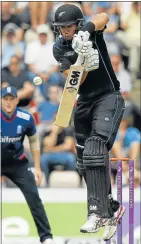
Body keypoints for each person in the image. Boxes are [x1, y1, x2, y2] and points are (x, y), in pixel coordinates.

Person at [52, 4, 125, 241]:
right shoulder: (59, 48)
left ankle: (97, 213)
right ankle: (112, 207)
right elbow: (76, 81)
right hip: (83, 101)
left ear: (78, 23)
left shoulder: (89, 30)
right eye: (61, 27)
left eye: (69, 26)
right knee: (84, 163)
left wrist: (86, 32)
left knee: (95, 147)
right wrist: (82, 58)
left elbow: (104, 16)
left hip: (108, 97)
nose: (65, 31)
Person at [1, 86, 55, 244]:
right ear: (0, 101)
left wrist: (37, 167)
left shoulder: (26, 118)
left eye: (12, 99)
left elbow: (33, 142)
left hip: (18, 163)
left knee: (34, 197)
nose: (9, 102)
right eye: (5, 99)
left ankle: (46, 237)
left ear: (17, 101)